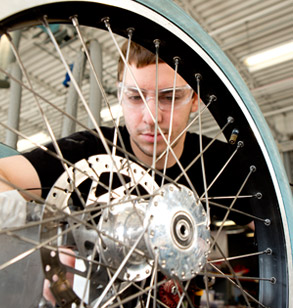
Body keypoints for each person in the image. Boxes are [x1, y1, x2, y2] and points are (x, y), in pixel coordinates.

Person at [0, 41, 252, 306]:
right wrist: (43, 241)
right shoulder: (89, 150)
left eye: (170, 97)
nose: (152, 117)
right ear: (120, 94)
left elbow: (280, 221)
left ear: (195, 99)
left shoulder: (219, 163)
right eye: (135, 97)